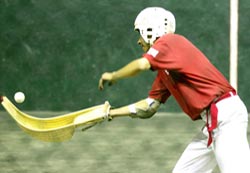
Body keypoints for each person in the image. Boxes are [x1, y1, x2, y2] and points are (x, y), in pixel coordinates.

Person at [98, 7, 250, 173]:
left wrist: (114, 75)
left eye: (139, 33)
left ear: (150, 30)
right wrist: (111, 113)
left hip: (225, 117)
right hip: (212, 124)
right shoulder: (166, 68)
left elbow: (142, 64)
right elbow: (149, 107)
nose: (138, 41)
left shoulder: (170, 42)